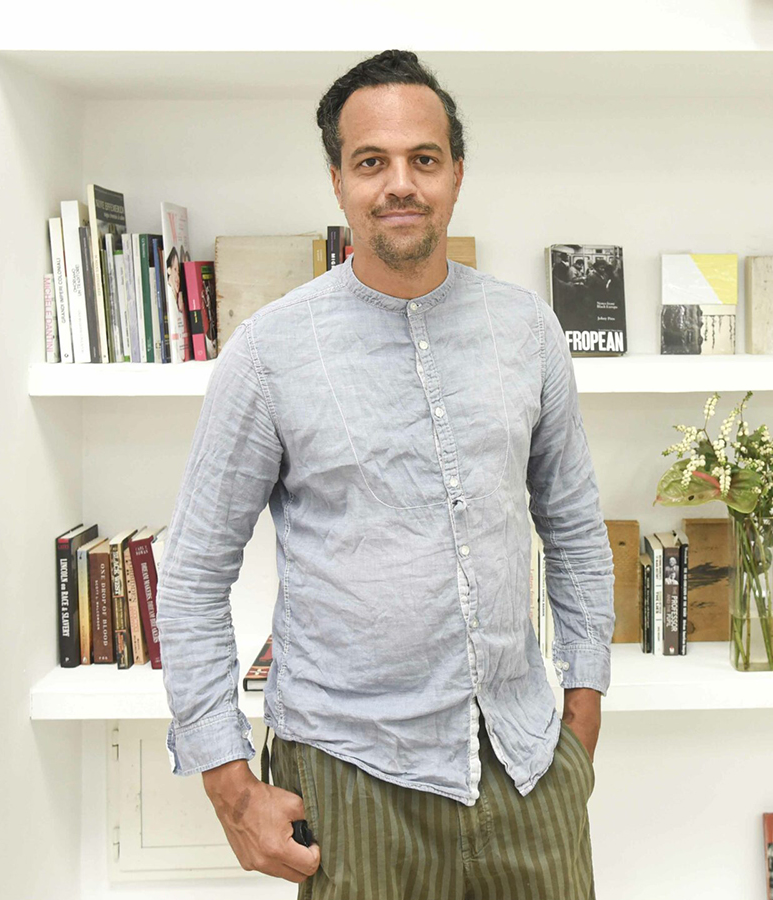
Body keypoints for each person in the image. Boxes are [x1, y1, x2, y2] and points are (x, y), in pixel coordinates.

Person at [154, 50, 613, 898]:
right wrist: (227, 780)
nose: (399, 183)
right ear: (339, 182)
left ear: (456, 174)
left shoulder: (528, 331)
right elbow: (189, 577)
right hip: (350, 773)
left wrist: (583, 710)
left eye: (423, 159)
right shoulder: (269, 353)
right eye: (372, 162)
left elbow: (577, 531)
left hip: (527, 759)